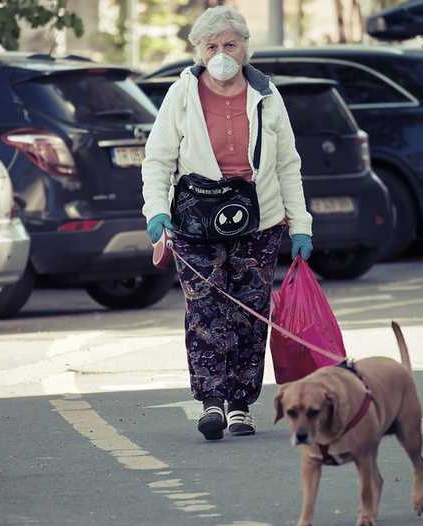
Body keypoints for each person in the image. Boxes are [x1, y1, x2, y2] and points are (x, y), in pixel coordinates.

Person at [141, 5, 313, 441]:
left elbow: (288, 164)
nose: (221, 53)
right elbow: (158, 158)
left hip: (260, 219)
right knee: (205, 309)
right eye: (211, 46)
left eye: (230, 44)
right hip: (195, 218)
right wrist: (156, 210)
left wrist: (301, 225)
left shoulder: (267, 95)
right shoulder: (181, 95)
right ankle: (212, 401)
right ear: (199, 51)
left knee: (251, 311)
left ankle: (241, 405)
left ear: (244, 48)